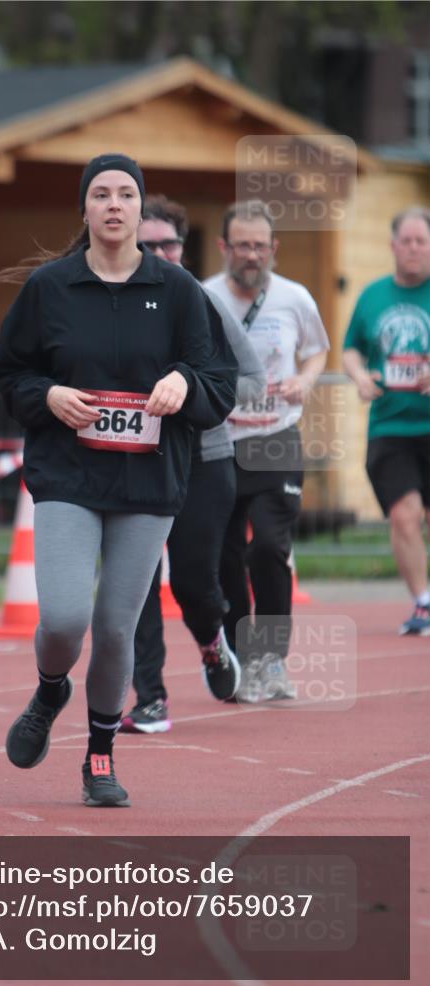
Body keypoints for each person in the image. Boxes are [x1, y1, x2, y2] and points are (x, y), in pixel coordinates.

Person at [0, 153, 237, 806]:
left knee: (116, 627)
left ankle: (99, 754)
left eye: (125, 194)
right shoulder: (49, 288)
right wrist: (46, 396)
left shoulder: (179, 291)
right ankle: (50, 689)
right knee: (66, 617)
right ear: (85, 209)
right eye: (100, 194)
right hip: (69, 475)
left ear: (138, 207)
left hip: (147, 483)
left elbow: (219, 383)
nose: (113, 205)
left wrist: (184, 383)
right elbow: (7, 379)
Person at [120, 195, 265, 734]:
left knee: (193, 585)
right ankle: (150, 698)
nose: (159, 252)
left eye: (169, 243)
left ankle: (211, 642)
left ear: (183, 247)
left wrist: (192, 397)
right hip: (131, 459)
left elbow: (251, 380)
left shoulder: (203, 300)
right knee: (133, 581)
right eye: (149, 243)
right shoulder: (117, 301)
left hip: (203, 459)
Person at [204, 200, 329, 703]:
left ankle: (272, 659)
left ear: (273, 249)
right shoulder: (203, 297)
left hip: (276, 435)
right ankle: (238, 657)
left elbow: (319, 348)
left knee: (270, 546)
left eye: (260, 246)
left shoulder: (295, 298)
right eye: (242, 246)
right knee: (226, 554)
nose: (251, 255)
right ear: (224, 248)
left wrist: (305, 378)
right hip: (219, 439)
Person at [342, 206, 430, 636]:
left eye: (421, 241)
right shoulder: (373, 296)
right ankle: (423, 601)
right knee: (404, 515)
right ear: (394, 246)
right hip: (391, 427)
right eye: (406, 241)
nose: (413, 248)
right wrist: (360, 376)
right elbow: (352, 348)